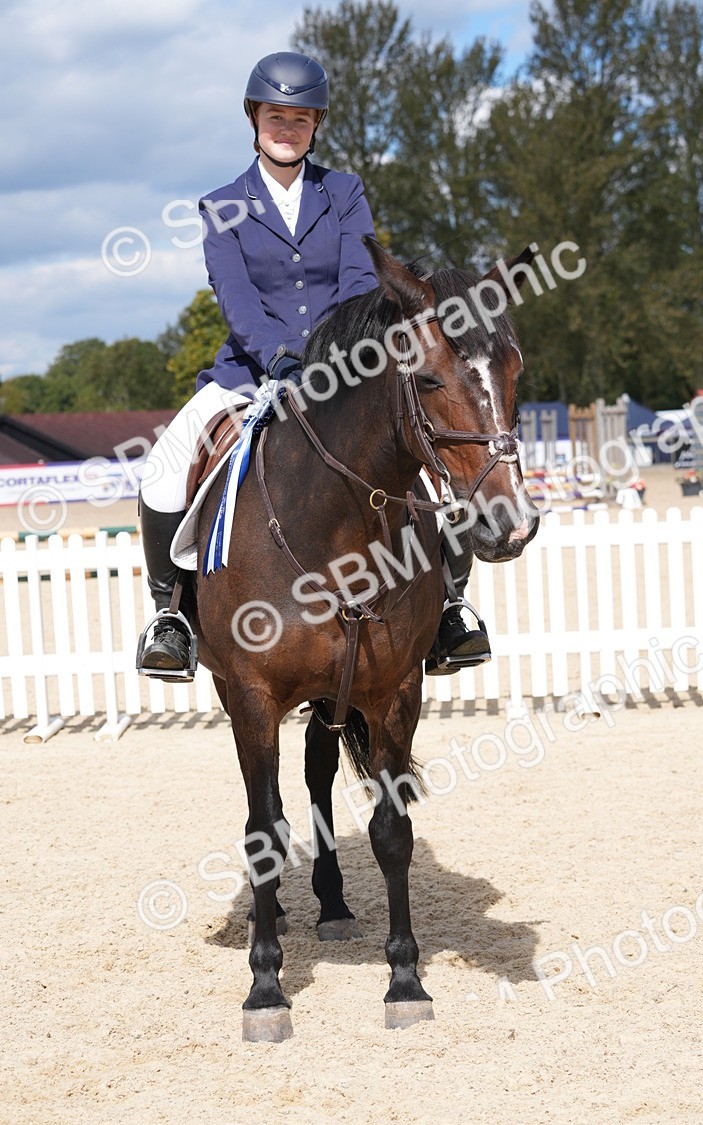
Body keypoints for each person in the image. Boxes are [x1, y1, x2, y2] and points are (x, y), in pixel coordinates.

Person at [136, 52, 491, 681]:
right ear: (254, 118)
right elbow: (235, 293)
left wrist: (337, 353)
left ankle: (450, 610)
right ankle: (173, 617)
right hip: (251, 372)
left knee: (433, 460)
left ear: (316, 124)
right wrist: (279, 353)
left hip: (349, 369)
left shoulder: (344, 190)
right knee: (163, 468)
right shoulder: (222, 205)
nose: (288, 128)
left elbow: (360, 277)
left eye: (300, 118)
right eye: (277, 116)